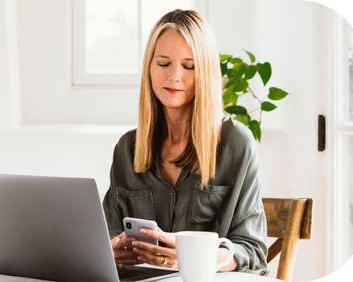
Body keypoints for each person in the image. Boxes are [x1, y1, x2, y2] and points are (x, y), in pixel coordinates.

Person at [102, 9, 269, 275]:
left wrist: (193, 256)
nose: (174, 76)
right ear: (149, 67)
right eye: (163, 63)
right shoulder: (126, 149)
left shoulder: (237, 144)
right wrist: (111, 250)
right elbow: (105, 239)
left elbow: (252, 250)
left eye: (189, 66)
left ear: (205, 72)